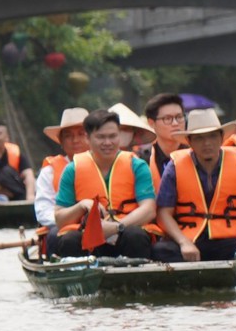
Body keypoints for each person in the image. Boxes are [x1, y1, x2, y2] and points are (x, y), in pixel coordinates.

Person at [154, 108, 236, 262]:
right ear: (190, 141)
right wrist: (183, 241)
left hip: (231, 239)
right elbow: (164, 212)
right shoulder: (174, 167)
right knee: (160, 251)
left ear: (221, 137)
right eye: (199, 138)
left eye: (212, 136)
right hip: (190, 240)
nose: (207, 143)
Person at [50, 110, 158, 259]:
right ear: (87, 138)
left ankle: (134, 280)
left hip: (124, 233)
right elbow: (60, 219)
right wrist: (82, 205)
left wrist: (117, 227)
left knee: (136, 235)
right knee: (70, 240)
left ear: (119, 135)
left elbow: (149, 209)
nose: (108, 142)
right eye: (100, 137)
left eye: (112, 136)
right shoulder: (72, 169)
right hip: (89, 237)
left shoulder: (137, 165)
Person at [33, 108, 89, 236]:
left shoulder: (104, 165)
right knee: (56, 235)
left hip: (101, 225)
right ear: (61, 142)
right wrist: (71, 220)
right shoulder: (49, 171)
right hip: (63, 228)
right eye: (68, 136)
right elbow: (43, 211)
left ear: (92, 137)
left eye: (81, 134)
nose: (75, 140)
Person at [141, 93, 189, 166]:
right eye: (168, 118)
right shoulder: (143, 159)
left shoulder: (196, 155)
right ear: (151, 123)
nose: (175, 123)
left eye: (179, 117)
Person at [0, 122, 30, 201]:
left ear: (7, 137)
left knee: (6, 172)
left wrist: (30, 196)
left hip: (14, 192)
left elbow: (28, 173)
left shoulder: (15, 153)